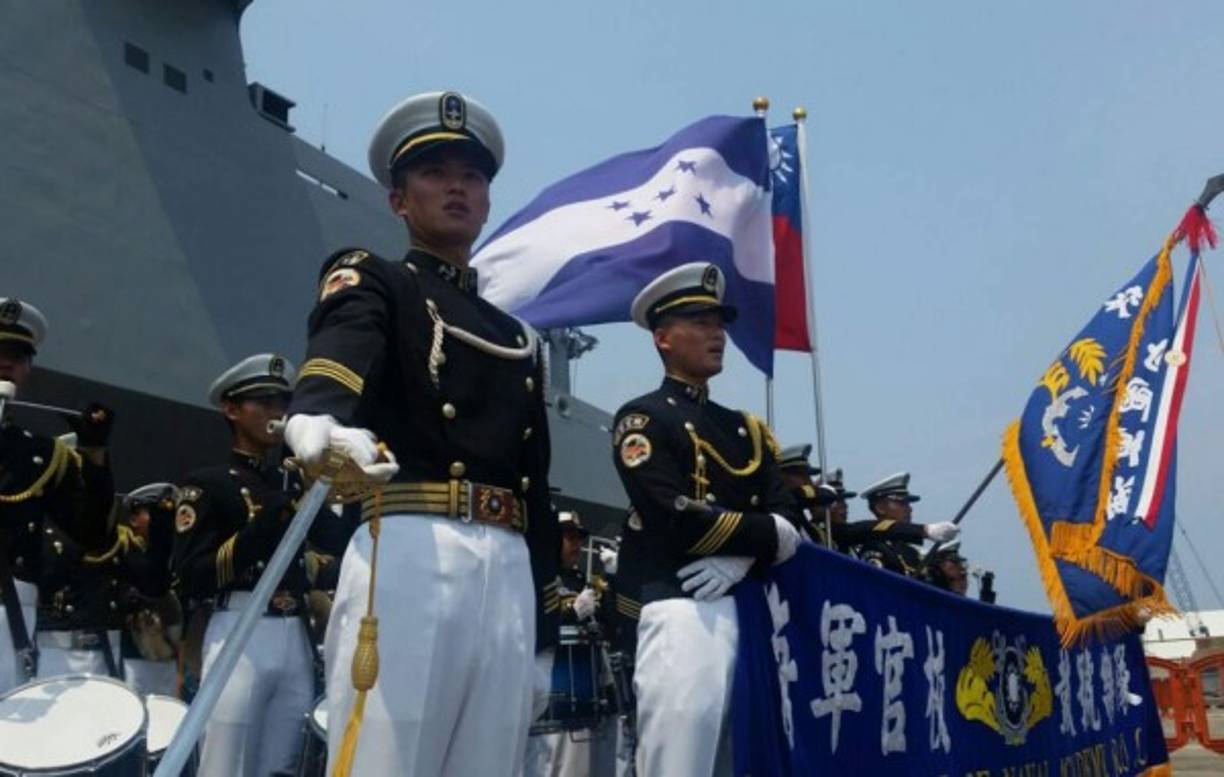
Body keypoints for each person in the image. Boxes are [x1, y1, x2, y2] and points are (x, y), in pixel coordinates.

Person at [283, 90, 558, 777]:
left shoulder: (519, 337)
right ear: (398, 200)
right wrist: (314, 415)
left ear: (488, 199)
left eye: (472, 175)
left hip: (509, 570)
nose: (457, 186)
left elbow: (538, 488)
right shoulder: (378, 280)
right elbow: (345, 343)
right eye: (435, 172)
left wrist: (545, 638)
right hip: (410, 551)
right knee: (387, 757)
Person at [611, 263, 802, 776]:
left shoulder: (747, 429)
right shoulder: (645, 419)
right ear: (663, 338)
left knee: (746, 762)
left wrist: (741, 556)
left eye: (719, 322)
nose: (716, 333)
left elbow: (791, 518)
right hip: (681, 612)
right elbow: (669, 512)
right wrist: (763, 536)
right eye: (699, 321)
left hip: (751, 612)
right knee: (681, 762)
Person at [171, 354, 317, 776]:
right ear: (231, 409)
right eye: (264, 401)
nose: (277, 412)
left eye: (282, 402)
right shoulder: (208, 484)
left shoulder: (290, 481)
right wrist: (270, 517)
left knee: (283, 765)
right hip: (240, 626)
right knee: (226, 762)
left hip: (295, 631)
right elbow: (193, 576)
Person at [0, 297, 116, 690]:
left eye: (17, 356)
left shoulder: (43, 454)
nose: (6, 363)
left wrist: (94, 452)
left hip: (13, 613)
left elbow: (91, 533)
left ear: (29, 368)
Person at [852, 472, 959, 578]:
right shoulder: (876, 547)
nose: (909, 508)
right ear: (880, 508)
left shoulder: (913, 551)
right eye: (902, 503)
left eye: (908, 503)